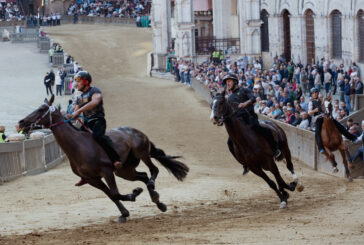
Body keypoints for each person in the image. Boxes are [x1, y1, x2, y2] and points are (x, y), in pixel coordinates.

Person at [67, 71, 122, 186]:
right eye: (75, 81)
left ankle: (116, 159)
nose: (76, 84)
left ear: (86, 81)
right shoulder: (79, 97)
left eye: (78, 80)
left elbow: (95, 102)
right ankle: (84, 175)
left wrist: (79, 111)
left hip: (98, 120)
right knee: (78, 142)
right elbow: (75, 112)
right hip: (86, 123)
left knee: (98, 136)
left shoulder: (94, 91)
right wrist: (71, 115)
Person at [223, 74, 281, 175]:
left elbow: (254, 98)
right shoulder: (230, 98)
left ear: (235, 82)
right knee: (230, 142)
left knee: (258, 128)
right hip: (240, 122)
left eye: (229, 81)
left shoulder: (244, 90)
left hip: (250, 117)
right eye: (226, 82)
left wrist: (245, 104)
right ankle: (244, 163)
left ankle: (275, 149)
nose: (227, 83)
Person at [308, 88, 357, 154]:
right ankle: (320, 148)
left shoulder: (322, 100)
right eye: (313, 93)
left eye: (315, 92)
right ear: (312, 94)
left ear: (317, 93)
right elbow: (310, 112)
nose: (314, 94)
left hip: (325, 116)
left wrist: (325, 109)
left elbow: (326, 109)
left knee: (339, 125)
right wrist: (314, 110)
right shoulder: (311, 102)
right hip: (318, 117)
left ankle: (352, 138)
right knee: (317, 132)